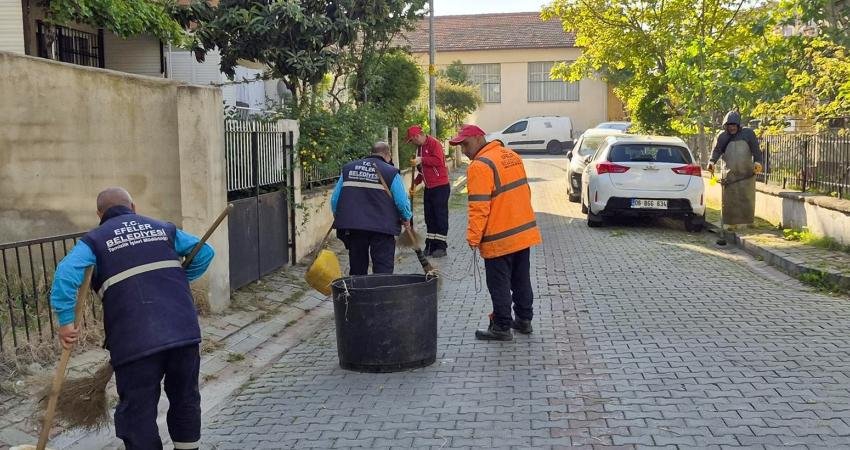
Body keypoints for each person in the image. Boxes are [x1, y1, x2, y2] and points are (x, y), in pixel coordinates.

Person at [51, 187, 215, 450]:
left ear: (99, 214)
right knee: (185, 398)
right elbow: (205, 252)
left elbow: (66, 274)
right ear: (133, 207)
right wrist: (178, 281)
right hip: (183, 331)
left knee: (138, 411)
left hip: (134, 341)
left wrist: (66, 323)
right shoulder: (164, 228)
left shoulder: (94, 241)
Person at [450, 124, 542, 341]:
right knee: (521, 279)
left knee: (499, 283)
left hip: (499, 239)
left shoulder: (480, 166)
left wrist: (473, 237)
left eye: (465, 144)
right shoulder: (511, 156)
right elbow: (525, 193)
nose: (464, 150)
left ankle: (501, 326)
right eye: (460, 146)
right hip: (522, 233)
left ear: (479, 138)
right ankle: (524, 320)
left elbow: (479, 207)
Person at [331, 142, 413, 275]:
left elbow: (335, 199)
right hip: (383, 227)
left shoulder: (348, 169)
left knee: (357, 268)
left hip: (355, 226)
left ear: (371, 152)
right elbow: (402, 202)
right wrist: (406, 217)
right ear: (388, 155)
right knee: (383, 268)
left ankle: (358, 288)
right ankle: (380, 288)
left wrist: (338, 215)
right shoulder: (391, 172)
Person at [707, 111, 764, 228]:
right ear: (725, 126)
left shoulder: (749, 134)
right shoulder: (721, 136)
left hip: (747, 175)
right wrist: (712, 162)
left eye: (734, 125)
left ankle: (748, 222)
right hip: (730, 176)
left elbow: (756, 150)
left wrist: (758, 162)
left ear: (738, 125)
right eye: (729, 125)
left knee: (747, 199)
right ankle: (729, 223)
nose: (732, 128)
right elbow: (716, 151)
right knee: (729, 201)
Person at [407, 125, 450, 257]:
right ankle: (430, 245)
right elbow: (422, 170)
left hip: (440, 186)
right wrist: (415, 183)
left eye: (412, 140)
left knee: (440, 217)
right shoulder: (419, 148)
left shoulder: (434, 144)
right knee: (429, 218)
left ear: (417, 136)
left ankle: (441, 246)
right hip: (429, 187)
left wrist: (422, 159)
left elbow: (438, 161)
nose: (412, 143)